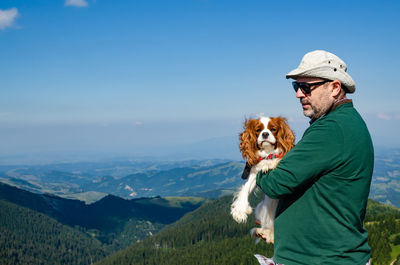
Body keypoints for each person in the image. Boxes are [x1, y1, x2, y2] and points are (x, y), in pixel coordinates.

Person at [256, 50, 374, 265]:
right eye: (296, 86)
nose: (298, 94)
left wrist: (257, 163)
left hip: (321, 260)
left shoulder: (332, 130)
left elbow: (275, 184)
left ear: (335, 87)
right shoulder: (344, 123)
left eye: (306, 87)